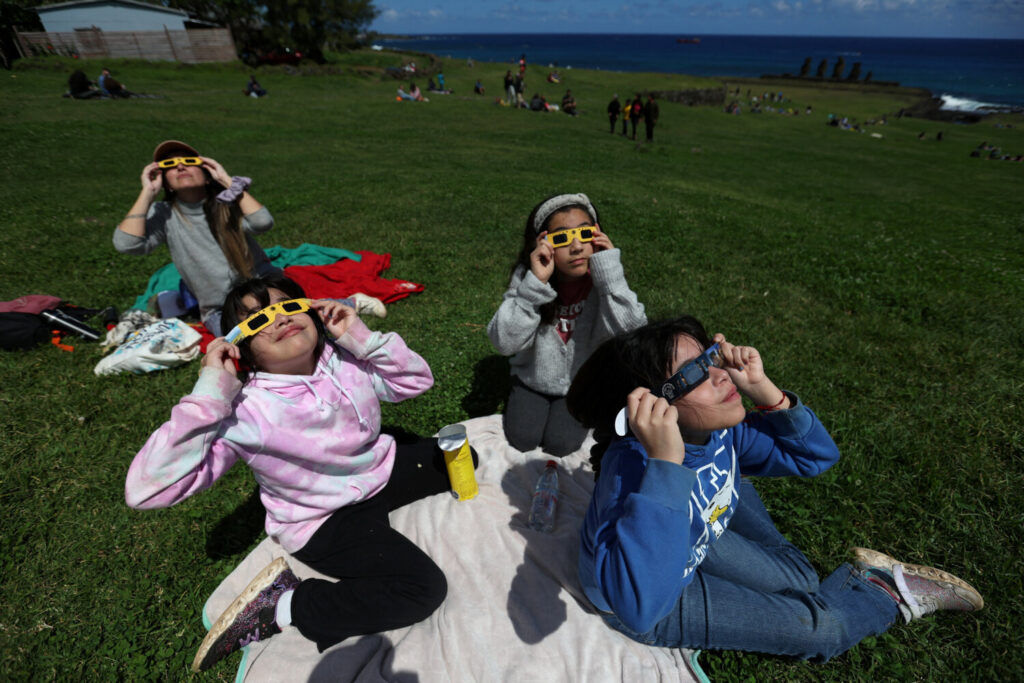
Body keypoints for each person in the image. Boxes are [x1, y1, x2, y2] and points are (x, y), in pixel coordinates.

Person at [566, 316, 984, 662]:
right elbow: (640, 608)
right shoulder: (632, 477)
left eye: (710, 357)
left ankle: (732, 495)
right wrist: (665, 466)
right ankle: (883, 589)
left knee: (802, 578)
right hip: (654, 588)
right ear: (652, 410)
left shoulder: (718, 431)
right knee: (823, 631)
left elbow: (816, 457)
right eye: (694, 374)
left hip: (696, 534)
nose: (720, 374)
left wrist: (765, 392)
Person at [125, 274, 461, 672]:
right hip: (323, 519)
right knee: (422, 589)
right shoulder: (245, 413)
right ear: (240, 353)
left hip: (377, 471)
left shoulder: (343, 360)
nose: (278, 318)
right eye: (256, 320)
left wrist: (360, 336)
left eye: (287, 306)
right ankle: (285, 604)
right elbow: (145, 491)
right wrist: (211, 392)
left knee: (463, 460)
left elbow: (416, 381)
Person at [487, 193, 646, 456]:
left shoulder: (605, 281)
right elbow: (503, 343)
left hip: (582, 382)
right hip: (533, 378)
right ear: (542, 245)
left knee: (561, 444)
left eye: (585, 234)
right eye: (561, 238)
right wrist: (534, 285)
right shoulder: (529, 279)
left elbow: (634, 336)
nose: (576, 246)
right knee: (522, 438)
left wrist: (611, 279)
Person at [113, 140, 281, 336]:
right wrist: (147, 193)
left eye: (189, 161)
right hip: (221, 308)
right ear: (166, 182)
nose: (180, 166)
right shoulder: (164, 214)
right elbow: (126, 244)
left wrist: (227, 180)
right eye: (169, 165)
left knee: (307, 324)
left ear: (207, 174)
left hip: (265, 287)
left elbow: (263, 223)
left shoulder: (227, 201)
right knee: (250, 342)